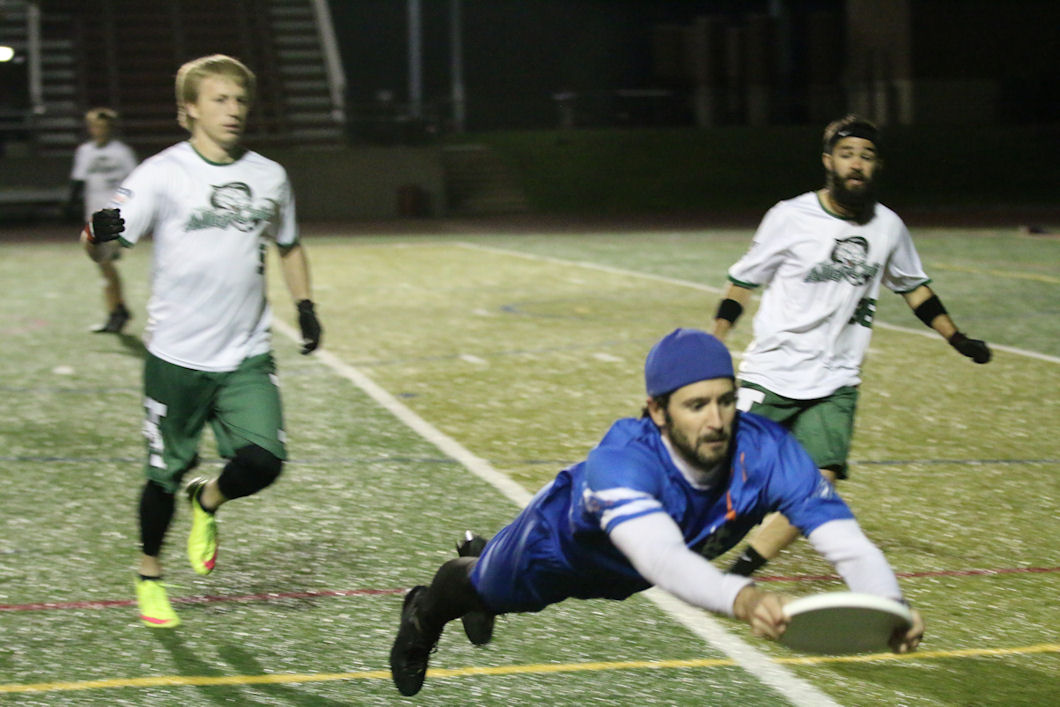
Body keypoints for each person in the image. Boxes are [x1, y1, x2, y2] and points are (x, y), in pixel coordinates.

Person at [388, 328, 924, 697]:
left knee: (497, 588)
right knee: (485, 588)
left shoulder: (770, 451)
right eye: (696, 405)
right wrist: (744, 597)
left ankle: (484, 563)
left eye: (726, 400)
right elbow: (662, 559)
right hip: (560, 550)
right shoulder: (622, 463)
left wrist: (889, 606)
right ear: (657, 411)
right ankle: (423, 614)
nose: (716, 421)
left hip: (631, 573)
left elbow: (846, 543)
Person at [81, 54, 323, 628]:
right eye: (219, 99)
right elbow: (105, 241)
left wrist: (306, 307)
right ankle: (149, 574)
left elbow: (288, 244)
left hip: (245, 354)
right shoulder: (161, 174)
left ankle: (208, 498)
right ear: (188, 109)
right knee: (162, 477)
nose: (233, 110)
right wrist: (95, 236)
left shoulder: (270, 175)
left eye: (240, 100)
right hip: (176, 357)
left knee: (264, 462)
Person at [711, 114, 991, 579]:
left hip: (836, 380)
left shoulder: (888, 227)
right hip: (773, 373)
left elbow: (914, 288)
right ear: (828, 161)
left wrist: (956, 337)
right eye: (846, 155)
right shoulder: (790, 217)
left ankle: (738, 574)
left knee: (818, 488)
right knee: (723, 474)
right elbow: (743, 282)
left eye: (866, 156)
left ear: (877, 165)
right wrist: (714, 342)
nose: (856, 164)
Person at [68, 107, 139, 333]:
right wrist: (69, 205)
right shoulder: (85, 151)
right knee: (103, 264)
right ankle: (117, 309)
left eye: (103, 126)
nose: (98, 130)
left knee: (105, 262)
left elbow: (135, 183)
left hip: (115, 217)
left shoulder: (122, 152)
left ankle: (117, 311)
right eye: (95, 126)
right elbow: (78, 181)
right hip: (94, 217)